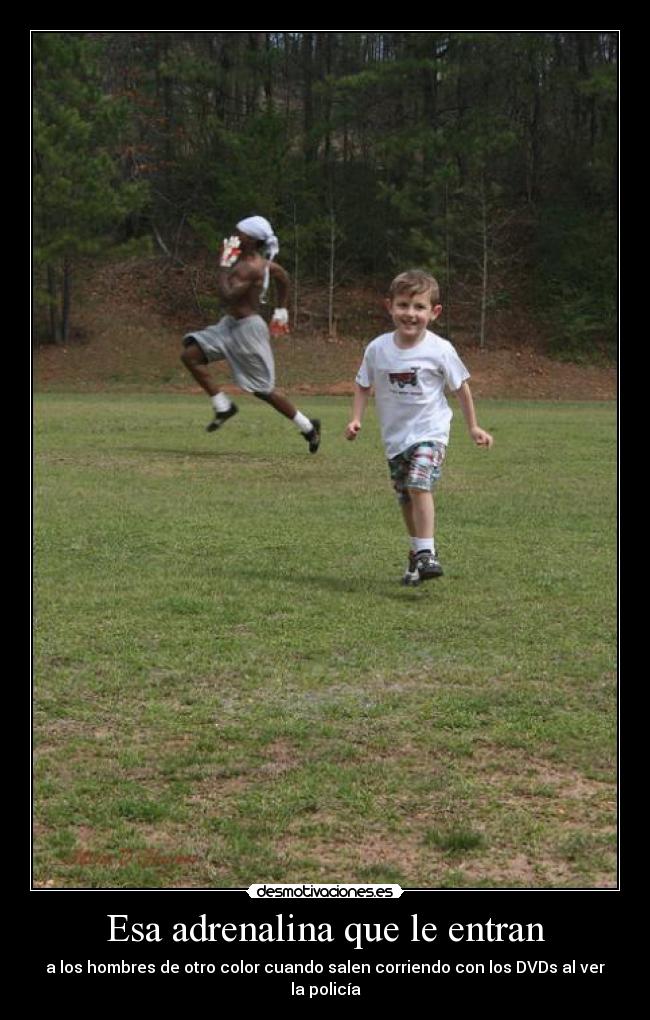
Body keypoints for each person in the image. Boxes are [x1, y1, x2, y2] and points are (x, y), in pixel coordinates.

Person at [345, 269, 493, 585]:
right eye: (403, 305)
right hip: (395, 439)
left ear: (434, 312)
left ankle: (427, 552)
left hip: (431, 433)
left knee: (418, 483)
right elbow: (362, 384)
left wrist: (473, 427)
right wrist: (356, 418)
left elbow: (461, 388)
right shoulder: (377, 349)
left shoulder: (440, 349)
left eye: (419, 307)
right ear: (390, 306)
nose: (410, 314)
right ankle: (416, 554)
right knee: (405, 498)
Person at [181, 215, 321, 452]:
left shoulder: (252, 268)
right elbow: (283, 278)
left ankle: (308, 427)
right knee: (190, 356)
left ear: (251, 239)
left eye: (239, 232)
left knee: (263, 390)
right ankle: (223, 406)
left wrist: (223, 264)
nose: (234, 235)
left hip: (248, 331)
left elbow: (227, 295)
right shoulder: (261, 264)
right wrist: (281, 310)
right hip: (230, 326)